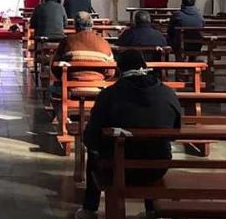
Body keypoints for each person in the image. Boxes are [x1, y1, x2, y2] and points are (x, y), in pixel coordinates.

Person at [77, 49, 181, 219]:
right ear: (144, 67)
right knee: (152, 146)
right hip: (157, 167)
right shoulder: (167, 93)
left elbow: (90, 138)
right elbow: (175, 132)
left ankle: (89, 209)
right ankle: (151, 210)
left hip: (117, 168)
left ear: (119, 70)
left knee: (94, 154)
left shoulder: (109, 95)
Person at [52, 11, 114, 81]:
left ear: (75, 26)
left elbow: (55, 68)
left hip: (71, 84)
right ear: (92, 25)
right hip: (98, 84)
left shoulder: (67, 41)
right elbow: (111, 72)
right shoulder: (104, 42)